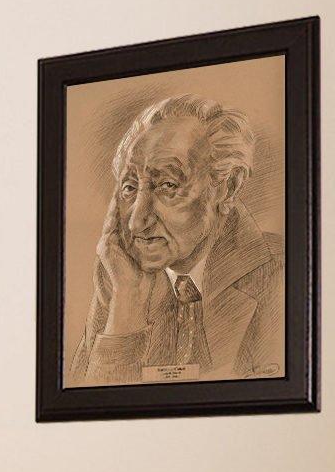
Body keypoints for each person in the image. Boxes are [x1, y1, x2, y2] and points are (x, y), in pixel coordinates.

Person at [68, 94, 284, 386]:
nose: (136, 222)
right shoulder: (120, 276)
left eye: (167, 185)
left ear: (228, 187)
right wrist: (127, 303)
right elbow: (92, 398)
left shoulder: (281, 273)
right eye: (129, 187)